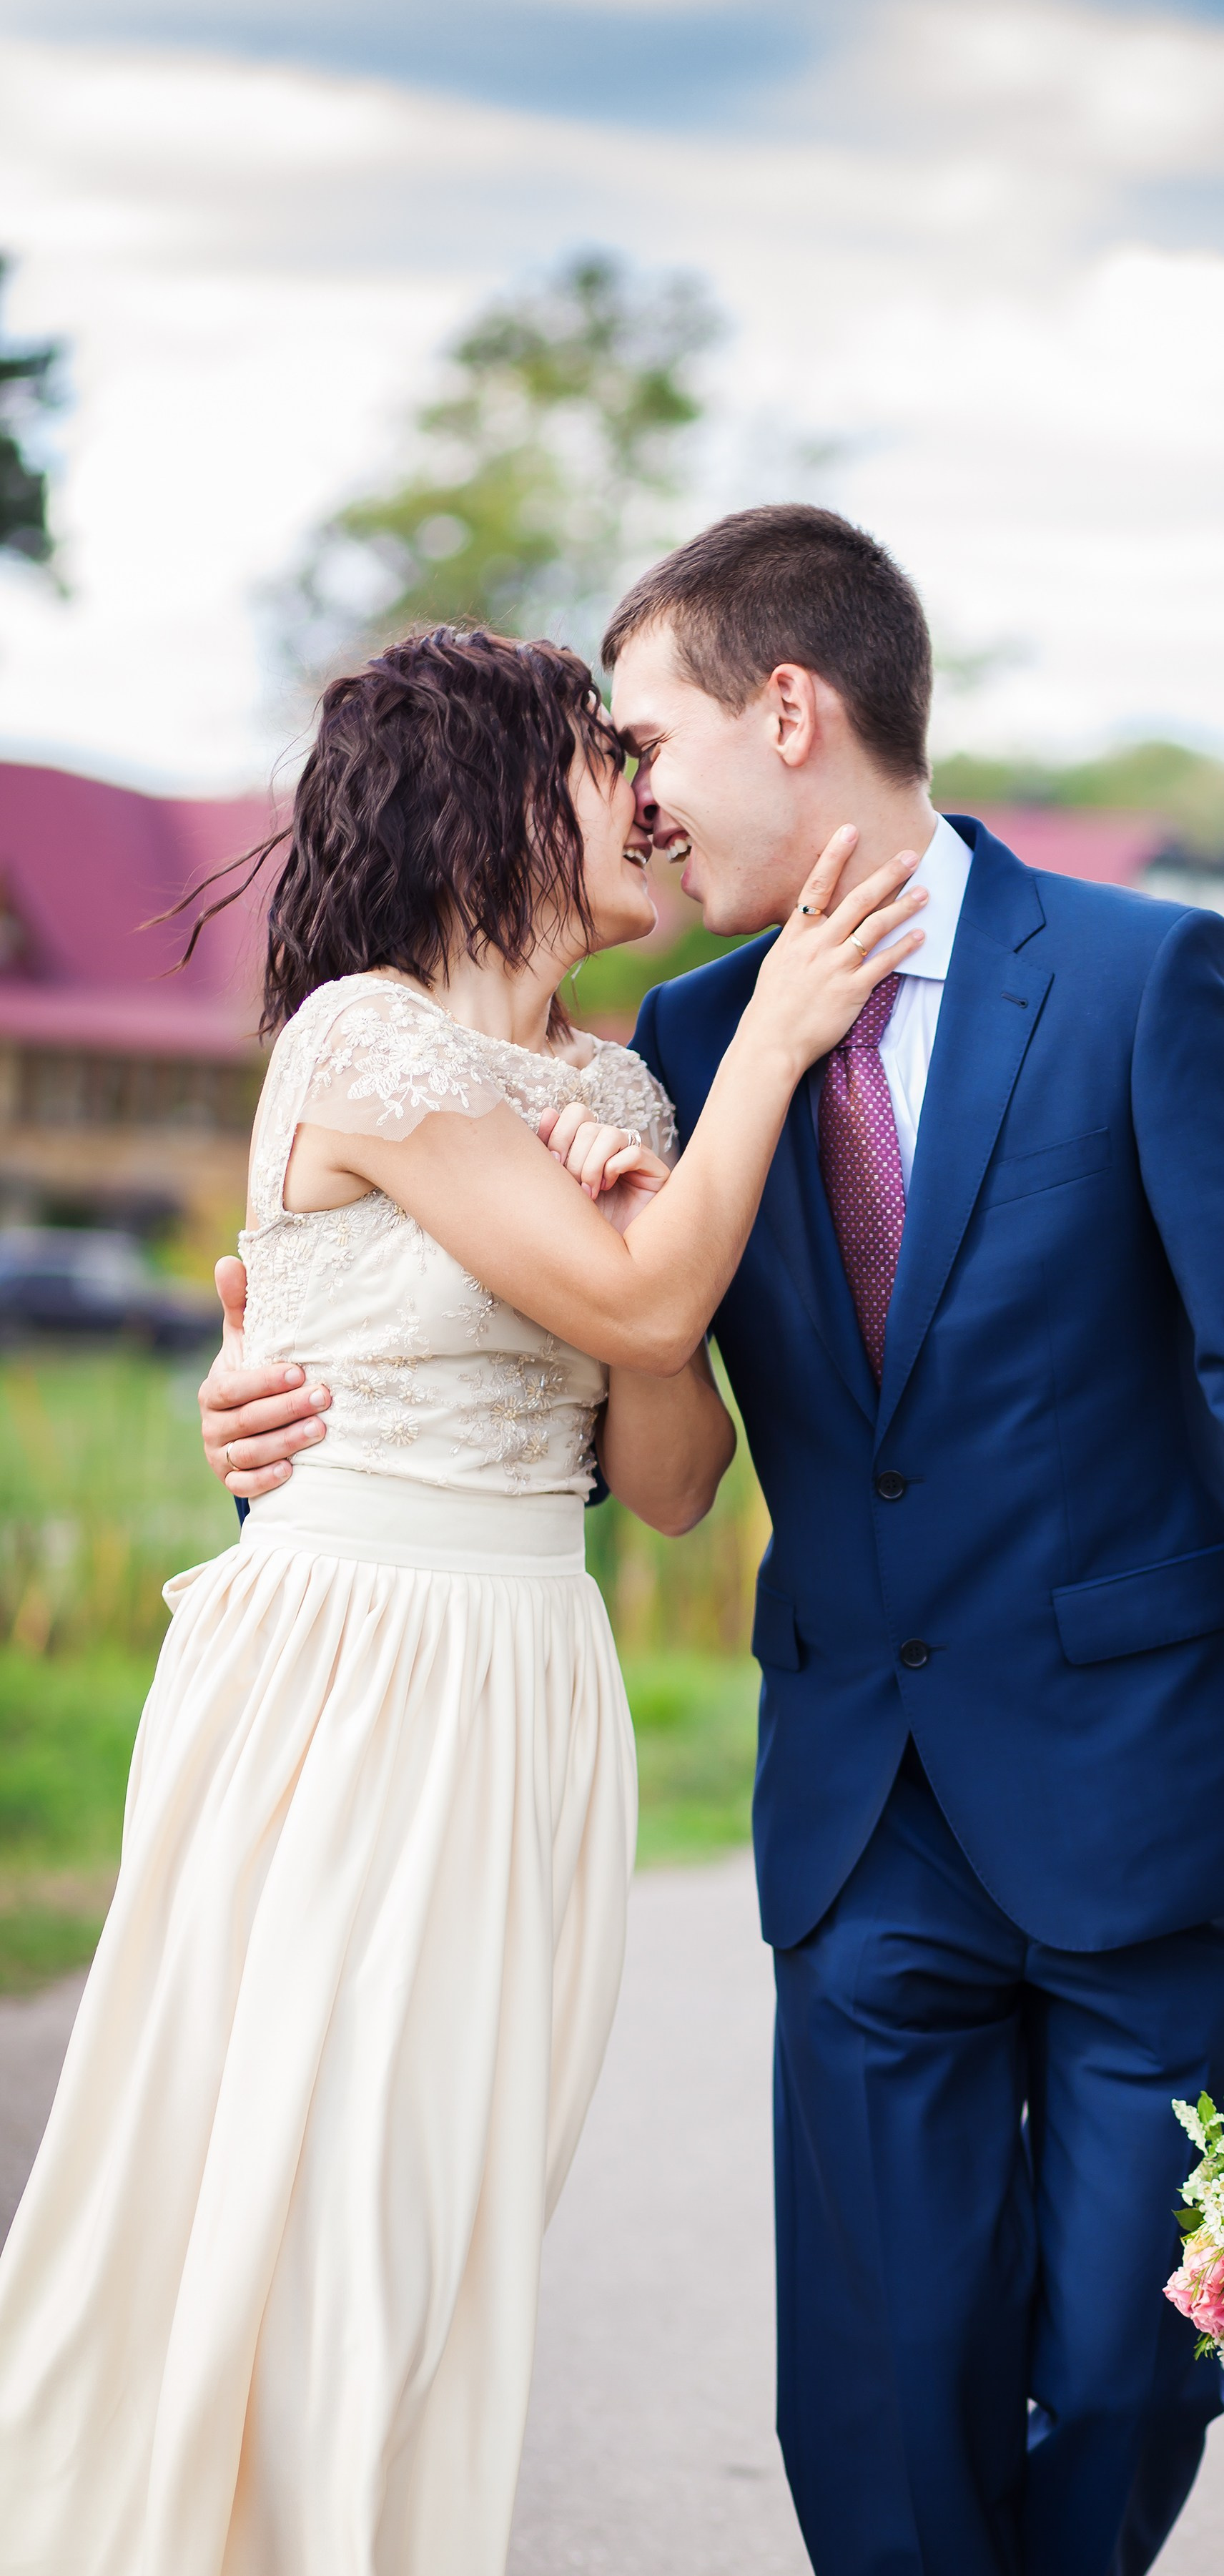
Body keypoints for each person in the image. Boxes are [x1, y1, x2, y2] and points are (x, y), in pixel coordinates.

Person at [199, 510, 1224, 2576]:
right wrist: (264, 1414)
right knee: (883, 2387)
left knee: (1139, 2355)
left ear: (790, 710)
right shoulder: (668, 1051)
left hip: (1143, 1796)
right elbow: (549, 1358)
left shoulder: (1150, 981)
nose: (639, 799)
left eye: (651, 740)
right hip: (861, 1813)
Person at [0, 625, 924, 2576]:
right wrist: (760, 1053)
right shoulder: (366, 1038)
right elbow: (647, 1298)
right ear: (504, 795)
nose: (651, 803)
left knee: (434, 2222)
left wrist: (630, 1206)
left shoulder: (620, 1094)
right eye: (611, 761)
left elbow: (671, 1477)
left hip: (527, 1679)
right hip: (342, 1670)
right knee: (286, 2204)